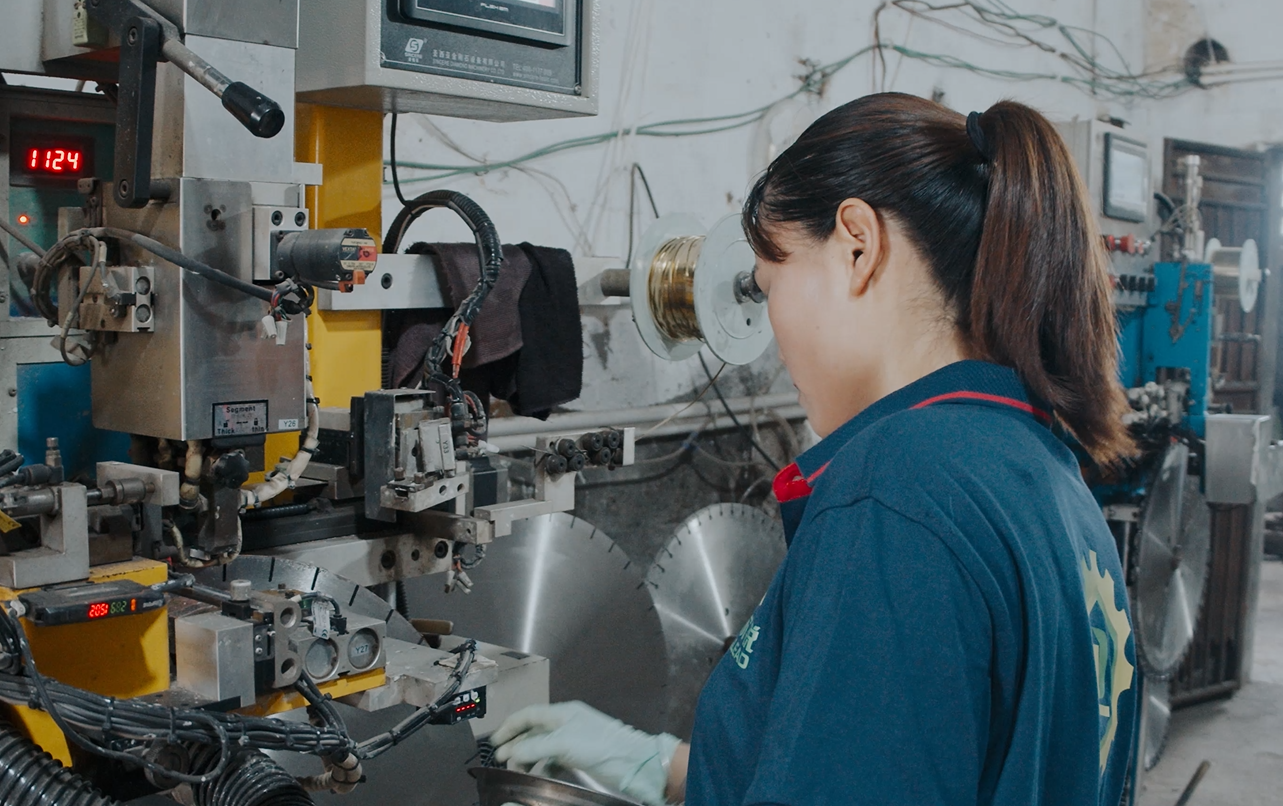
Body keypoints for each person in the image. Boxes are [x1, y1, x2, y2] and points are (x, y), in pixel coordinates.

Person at [488, 93, 1139, 806]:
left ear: (857, 245)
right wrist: (662, 766)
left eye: (771, 284)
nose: (772, 328)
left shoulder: (896, 494)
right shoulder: (1043, 472)